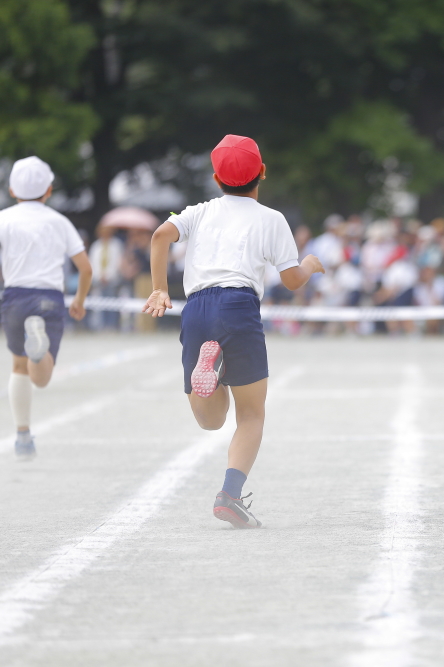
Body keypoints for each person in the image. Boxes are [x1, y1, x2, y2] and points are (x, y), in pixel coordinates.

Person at [142, 135, 324, 528]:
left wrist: (160, 288)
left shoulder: (201, 211)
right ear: (261, 172)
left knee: (210, 421)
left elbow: (159, 237)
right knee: (252, 414)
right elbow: (291, 280)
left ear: (215, 177)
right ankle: (229, 495)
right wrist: (309, 264)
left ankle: (211, 366)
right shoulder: (272, 219)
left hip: (197, 308)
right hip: (239, 306)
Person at [0, 156, 92, 459]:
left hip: (14, 296)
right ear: (49, 190)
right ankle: (38, 347)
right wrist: (78, 300)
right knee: (41, 376)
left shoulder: (4, 219)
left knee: (18, 366)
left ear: (12, 190)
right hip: (49, 299)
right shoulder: (59, 221)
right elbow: (85, 268)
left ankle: (23, 436)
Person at [88, 222, 125, 330]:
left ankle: (112, 324)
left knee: (112, 302)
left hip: (112, 279)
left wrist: (108, 275)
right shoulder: (96, 246)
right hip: (98, 279)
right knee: (101, 303)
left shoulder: (116, 245)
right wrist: (99, 276)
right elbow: (92, 262)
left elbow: (117, 262)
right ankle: (103, 324)